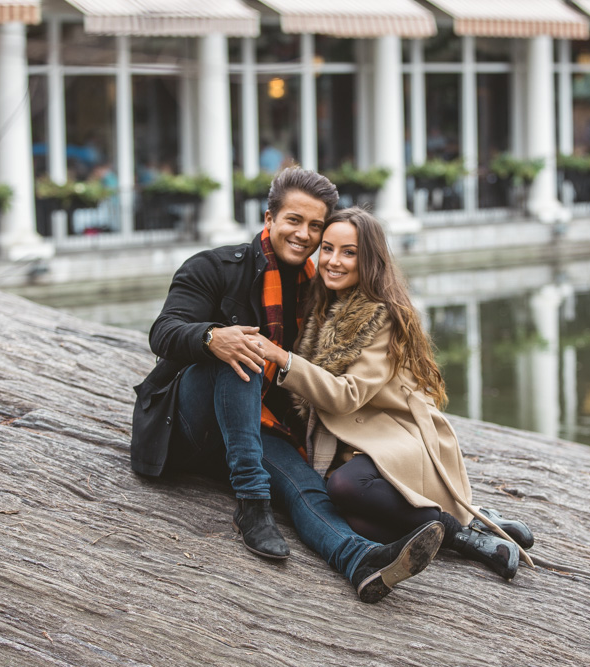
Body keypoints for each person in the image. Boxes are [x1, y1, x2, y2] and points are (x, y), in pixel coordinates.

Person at [130, 168, 444, 603]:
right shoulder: (214, 266)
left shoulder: (316, 289)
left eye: (315, 226)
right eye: (294, 220)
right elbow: (162, 332)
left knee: (306, 488)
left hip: (257, 426)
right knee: (243, 347)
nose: (304, 234)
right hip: (188, 425)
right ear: (269, 218)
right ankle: (252, 503)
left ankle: (360, 562)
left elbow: (340, 376)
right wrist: (211, 337)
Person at [257, 207, 535, 580]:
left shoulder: (380, 314)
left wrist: (283, 359)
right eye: (327, 249)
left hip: (398, 435)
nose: (333, 261)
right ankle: (477, 520)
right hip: (360, 442)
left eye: (349, 252)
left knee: (345, 486)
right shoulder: (326, 304)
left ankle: (462, 534)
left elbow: (346, 396)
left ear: (369, 259)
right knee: (359, 523)